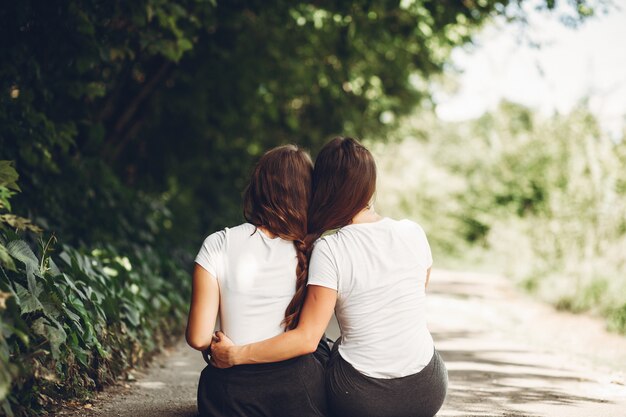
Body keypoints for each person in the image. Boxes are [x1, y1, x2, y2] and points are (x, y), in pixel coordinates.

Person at [210, 137, 448, 417]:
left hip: (362, 399)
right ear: (370, 186)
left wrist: (235, 354)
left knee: (317, 346)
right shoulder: (413, 231)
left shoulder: (331, 248)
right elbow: (412, 299)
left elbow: (306, 339)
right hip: (428, 391)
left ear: (323, 189)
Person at [186, 144, 328, 417]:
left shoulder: (218, 243)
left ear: (257, 188)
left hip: (231, 392)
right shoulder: (315, 250)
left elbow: (198, 337)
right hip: (297, 390)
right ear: (307, 194)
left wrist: (224, 347)